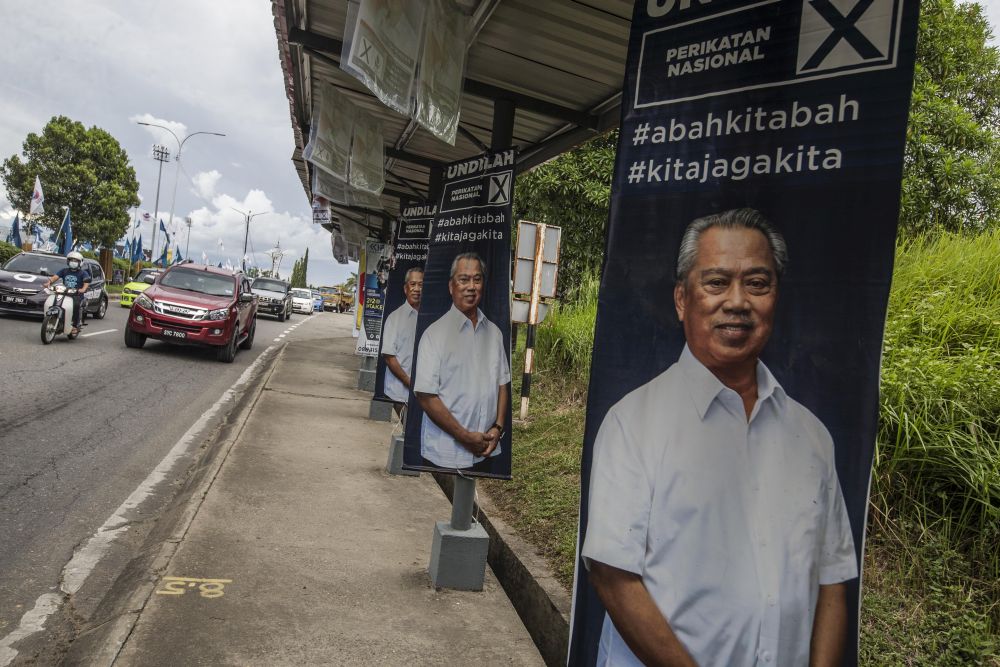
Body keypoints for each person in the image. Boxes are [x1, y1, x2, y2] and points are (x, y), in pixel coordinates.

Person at [582, 209, 857, 666]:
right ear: (681, 299)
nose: (737, 301)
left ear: (776, 298)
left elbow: (831, 579)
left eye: (757, 283)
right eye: (716, 282)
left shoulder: (811, 436)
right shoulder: (632, 424)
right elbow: (614, 577)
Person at [414, 252, 510, 471]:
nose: (471, 286)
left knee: (470, 504)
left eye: (477, 279)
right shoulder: (434, 335)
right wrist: (464, 436)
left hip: (488, 448)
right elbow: (426, 396)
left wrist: (497, 428)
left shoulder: (494, 333)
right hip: (444, 453)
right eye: (463, 279)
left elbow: (502, 384)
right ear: (451, 286)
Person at [381, 266, 424, 414]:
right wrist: (410, 382)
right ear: (406, 288)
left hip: (427, 394)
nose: (417, 289)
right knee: (407, 433)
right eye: (413, 284)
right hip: (400, 392)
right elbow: (389, 357)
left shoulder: (430, 319)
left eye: (421, 285)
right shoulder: (395, 318)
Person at [43, 251, 91, 335]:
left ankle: (75, 325)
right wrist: (49, 283)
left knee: (75, 305)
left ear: (80, 263)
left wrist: (83, 289)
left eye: (76, 261)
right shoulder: (64, 271)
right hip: (64, 293)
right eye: (71, 260)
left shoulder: (83, 273)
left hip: (77, 295)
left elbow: (86, 283)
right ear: (68, 261)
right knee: (54, 300)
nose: (73, 262)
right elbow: (55, 277)